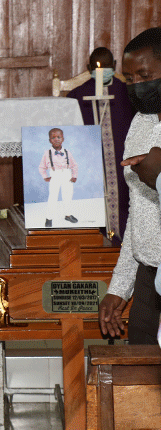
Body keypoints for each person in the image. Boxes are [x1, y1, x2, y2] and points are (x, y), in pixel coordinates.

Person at [99, 27, 161, 345]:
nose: (137, 86)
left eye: (144, 75)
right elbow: (139, 215)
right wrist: (119, 287)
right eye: (130, 78)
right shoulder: (140, 123)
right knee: (144, 377)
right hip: (149, 275)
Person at [67, 47, 136, 238]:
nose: (101, 70)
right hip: (90, 166)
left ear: (114, 66)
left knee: (126, 196)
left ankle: (124, 241)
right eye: (97, 66)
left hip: (123, 162)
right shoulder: (75, 96)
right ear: (88, 67)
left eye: (106, 66)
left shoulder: (128, 92)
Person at [38, 127, 79, 227]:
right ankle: (49, 217)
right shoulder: (47, 153)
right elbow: (41, 167)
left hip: (66, 175)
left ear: (63, 139)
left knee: (68, 195)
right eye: (53, 138)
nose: (56, 139)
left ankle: (68, 215)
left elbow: (74, 165)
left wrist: (74, 175)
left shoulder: (67, 152)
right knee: (53, 197)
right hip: (55, 175)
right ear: (49, 140)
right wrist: (45, 177)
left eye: (59, 137)